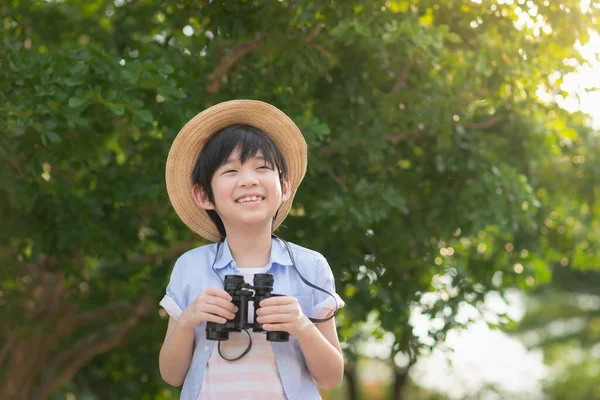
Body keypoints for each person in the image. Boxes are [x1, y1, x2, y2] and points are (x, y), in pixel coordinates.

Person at [158, 100, 345, 400]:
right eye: (230, 171)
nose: (248, 180)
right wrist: (189, 319)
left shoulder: (311, 267)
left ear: (284, 187)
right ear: (204, 195)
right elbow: (171, 374)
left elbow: (332, 377)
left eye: (262, 167)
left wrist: (300, 326)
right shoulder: (190, 267)